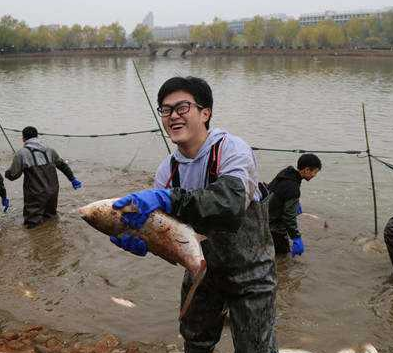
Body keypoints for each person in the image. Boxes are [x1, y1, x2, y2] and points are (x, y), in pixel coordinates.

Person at [110, 76, 277, 353]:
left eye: (182, 107)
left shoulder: (231, 149)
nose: (173, 116)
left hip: (251, 272)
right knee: (195, 341)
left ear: (205, 112)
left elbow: (229, 204)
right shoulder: (167, 170)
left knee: (256, 347)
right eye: (165, 110)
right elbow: (168, 230)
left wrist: (168, 198)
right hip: (200, 270)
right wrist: (145, 240)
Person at [5, 126, 82, 228]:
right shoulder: (50, 150)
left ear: (23, 139)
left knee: (32, 224)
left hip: (36, 194)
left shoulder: (21, 153)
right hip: (53, 192)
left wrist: (7, 173)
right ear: (37, 136)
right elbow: (62, 165)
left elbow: (13, 175)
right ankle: (52, 239)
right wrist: (72, 179)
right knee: (51, 219)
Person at [267, 153, 322, 256]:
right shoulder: (293, 188)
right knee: (283, 257)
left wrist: (294, 202)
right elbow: (289, 217)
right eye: (314, 172)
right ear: (306, 170)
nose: (315, 175)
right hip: (275, 227)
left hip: (265, 218)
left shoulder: (286, 173)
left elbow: (272, 189)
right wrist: (296, 237)